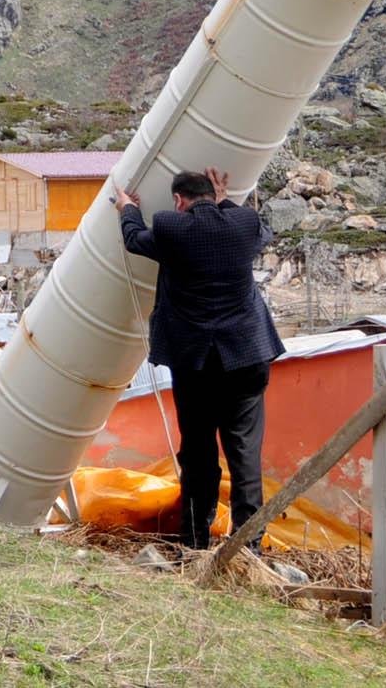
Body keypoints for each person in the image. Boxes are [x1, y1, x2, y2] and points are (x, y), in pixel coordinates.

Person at [115, 168, 283, 551]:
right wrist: (224, 202)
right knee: (244, 456)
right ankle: (249, 548)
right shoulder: (244, 223)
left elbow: (135, 239)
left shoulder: (172, 229)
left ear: (178, 200)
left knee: (199, 456)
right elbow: (255, 232)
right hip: (245, 357)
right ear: (215, 195)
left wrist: (127, 209)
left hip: (196, 364)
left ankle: (194, 542)